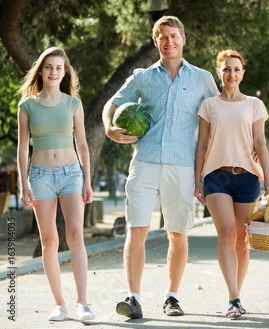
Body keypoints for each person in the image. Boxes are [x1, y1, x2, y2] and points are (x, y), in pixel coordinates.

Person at [102, 16, 219, 319]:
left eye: (174, 35)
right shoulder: (142, 77)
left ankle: (172, 297)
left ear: (184, 38)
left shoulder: (203, 78)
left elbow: (217, 120)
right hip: (145, 160)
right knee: (135, 229)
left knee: (177, 234)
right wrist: (109, 129)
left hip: (183, 164)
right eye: (163, 37)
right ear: (156, 41)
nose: (169, 41)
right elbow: (112, 105)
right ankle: (134, 298)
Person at [194, 49, 269, 319]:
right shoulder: (209, 105)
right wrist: (197, 178)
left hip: (248, 178)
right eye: (227, 69)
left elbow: (260, 143)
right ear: (219, 71)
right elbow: (202, 144)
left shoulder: (254, 104)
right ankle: (234, 298)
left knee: (242, 240)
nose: (231, 74)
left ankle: (235, 298)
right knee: (227, 233)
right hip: (216, 175)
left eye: (236, 69)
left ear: (243, 73)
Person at [17, 47, 95, 321]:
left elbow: (83, 145)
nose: (53, 72)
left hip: (71, 174)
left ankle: (83, 303)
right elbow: (22, 147)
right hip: (39, 177)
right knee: (50, 241)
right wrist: (23, 183)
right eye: (49, 67)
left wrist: (87, 179)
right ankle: (60, 304)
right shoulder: (26, 105)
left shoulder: (73, 104)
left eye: (58, 68)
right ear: (41, 70)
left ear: (65, 73)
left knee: (76, 236)